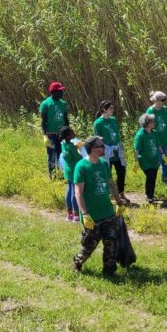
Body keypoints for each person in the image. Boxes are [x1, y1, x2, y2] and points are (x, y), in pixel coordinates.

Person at [72, 136, 129, 276]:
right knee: (89, 246)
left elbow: (111, 184)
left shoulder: (104, 164)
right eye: (101, 146)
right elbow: (78, 192)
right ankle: (77, 262)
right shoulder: (81, 167)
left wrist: (119, 202)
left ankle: (109, 270)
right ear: (92, 149)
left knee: (111, 243)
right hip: (92, 215)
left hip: (108, 212)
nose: (104, 148)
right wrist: (85, 214)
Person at [93, 100, 128, 202]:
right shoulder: (98, 123)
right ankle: (109, 194)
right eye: (110, 108)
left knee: (122, 171)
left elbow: (116, 133)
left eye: (113, 108)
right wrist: (103, 150)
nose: (113, 110)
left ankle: (121, 192)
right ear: (104, 109)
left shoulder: (113, 120)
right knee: (107, 173)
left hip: (117, 150)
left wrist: (120, 145)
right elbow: (98, 138)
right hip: (106, 151)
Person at [40, 81, 69, 177]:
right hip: (51, 134)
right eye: (60, 91)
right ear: (53, 92)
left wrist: (67, 133)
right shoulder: (46, 104)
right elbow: (43, 121)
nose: (62, 93)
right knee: (51, 156)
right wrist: (44, 135)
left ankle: (60, 175)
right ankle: (51, 175)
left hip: (61, 135)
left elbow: (66, 119)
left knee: (61, 155)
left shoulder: (63, 104)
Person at [134, 114, 161, 203]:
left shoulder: (154, 132)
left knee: (153, 177)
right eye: (152, 121)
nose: (154, 123)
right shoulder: (140, 135)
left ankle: (151, 194)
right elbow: (137, 149)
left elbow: (158, 145)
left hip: (154, 160)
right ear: (147, 123)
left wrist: (163, 154)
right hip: (145, 161)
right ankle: (148, 196)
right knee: (150, 176)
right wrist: (136, 161)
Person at [146, 91, 167, 183]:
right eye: (163, 100)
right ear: (156, 101)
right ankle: (153, 180)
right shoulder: (150, 111)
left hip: (164, 140)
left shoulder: (165, 110)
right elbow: (148, 127)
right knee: (156, 161)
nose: (164, 102)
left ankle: (165, 178)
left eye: (165, 100)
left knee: (165, 160)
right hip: (155, 142)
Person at [60, 126, 82, 222]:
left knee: (69, 190)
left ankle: (69, 214)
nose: (74, 133)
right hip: (74, 170)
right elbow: (78, 157)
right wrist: (79, 149)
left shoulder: (63, 144)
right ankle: (76, 214)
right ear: (68, 136)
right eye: (72, 132)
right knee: (74, 191)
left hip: (67, 169)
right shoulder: (72, 146)